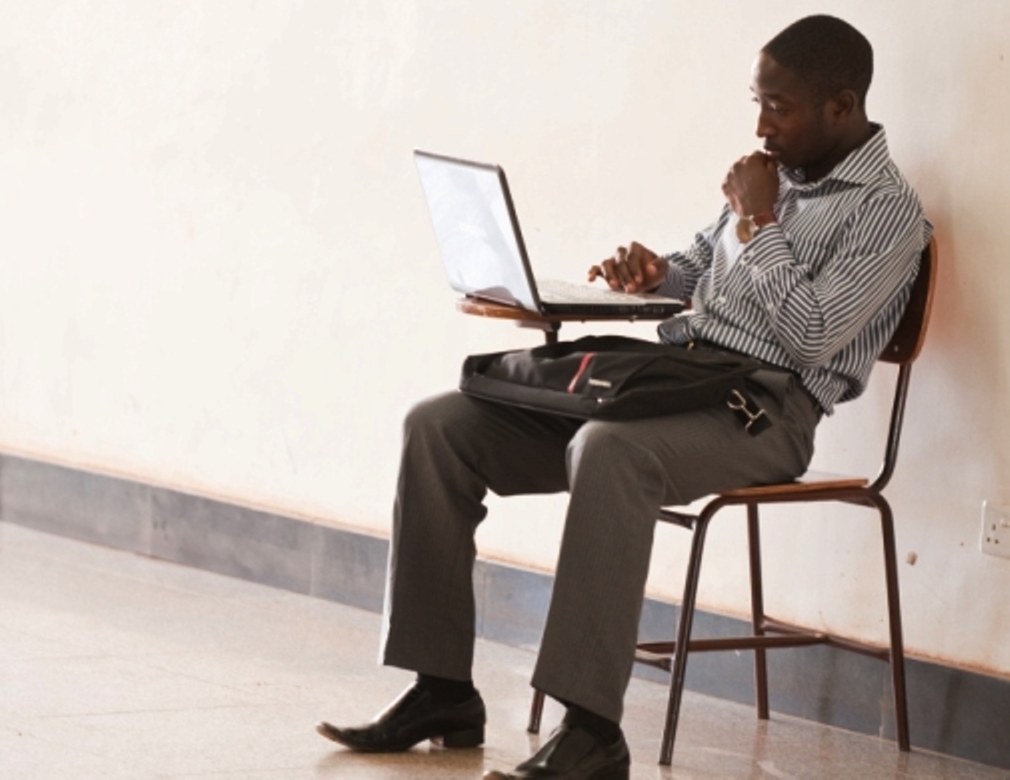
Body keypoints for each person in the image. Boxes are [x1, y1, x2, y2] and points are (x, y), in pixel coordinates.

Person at [318, 14, 930, 780]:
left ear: (842, 106)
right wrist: (657, 274)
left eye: (779, 107)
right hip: (676, 381)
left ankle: (593, 732)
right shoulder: (775, 177)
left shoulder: (890, 215)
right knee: (439, 424)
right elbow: (703, 266)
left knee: (608, 451)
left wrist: (760, 219)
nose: (761, 125)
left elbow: (812, 336)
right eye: (757, 102)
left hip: (765, 413)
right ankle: (441, 689)